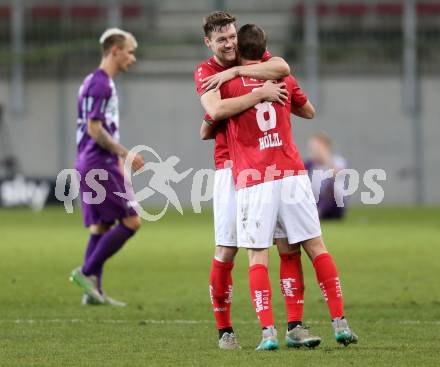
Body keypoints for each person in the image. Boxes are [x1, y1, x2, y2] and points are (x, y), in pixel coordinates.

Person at [219, 24, 358, 350]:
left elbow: (212, 118)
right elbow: (308, 111)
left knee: (257, 256)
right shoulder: (283, 77)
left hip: (256, 178)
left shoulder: (230, 84)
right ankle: (339, 322)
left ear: (239, 49)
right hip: (292, 174)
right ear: (265, 49)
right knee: (310, 248)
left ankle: (268, 333)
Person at [194, 11, 314, 350]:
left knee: (286, 243)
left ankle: (294, 325)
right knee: (227, 249)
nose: (229, 43)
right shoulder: (204, 71)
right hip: (231, 170)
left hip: (267, 166)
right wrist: (260, 94)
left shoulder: (250, 58)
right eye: (221, 40)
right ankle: (225, 330)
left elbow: (282, 68)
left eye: (231, 36)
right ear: (208, 42)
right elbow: (214, 113)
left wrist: (239, 73)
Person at [70, 28, 144, 306]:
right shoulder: (101, 84)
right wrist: (124, 153)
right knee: (132, 221)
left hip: (89, 161)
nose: (132, 58)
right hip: (99, 162)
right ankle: (86, 272)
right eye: (130, 51)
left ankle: (93, 293)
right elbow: (94, 128)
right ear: (115, 50)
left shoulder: (93, 81)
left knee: (100, 226)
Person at [305, 132, 347, 219]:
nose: (313, 151)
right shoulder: (310, 164)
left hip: (334, 203)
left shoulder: (337, 161)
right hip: (316, 202)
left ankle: (317, 212)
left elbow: (337, 174)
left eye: (316, 147)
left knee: (330, 188)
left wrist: (326, 159)